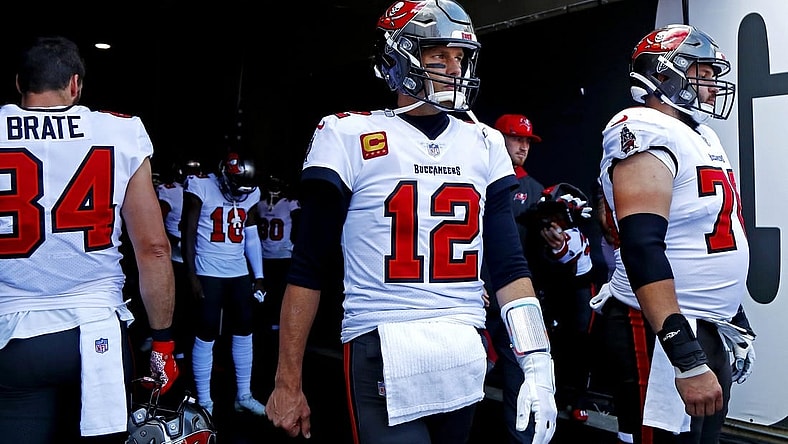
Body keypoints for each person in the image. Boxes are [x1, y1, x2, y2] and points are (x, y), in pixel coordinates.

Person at [265, 1, 557, 443]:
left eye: (459, 57)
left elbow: (510, 267)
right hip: (382, 340)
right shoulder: (348, 134)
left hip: (462, 342)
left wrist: (537, 359)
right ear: (398, 55)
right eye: (437, 55)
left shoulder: (484, 142)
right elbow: (308, 267)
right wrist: (287, 380)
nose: (452, 68)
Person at [0, 36, 179, 443]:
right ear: (75, 85)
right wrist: (163, 341)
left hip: (13, 335)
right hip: (96, 330)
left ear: (18, 84)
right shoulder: (120, 131)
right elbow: (153, 248)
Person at [596, 24, 755, 443]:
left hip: (704, 322)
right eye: (702, 72)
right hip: (659, 329)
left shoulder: (700, 135)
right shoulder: (643, 127)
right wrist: (683, 353)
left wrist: (731, 314)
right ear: (666, 75)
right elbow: (641, 245)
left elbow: (709, 233)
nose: (712, 85)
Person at [483, 114, 594, 444]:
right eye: (516, 138)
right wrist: (471, 281)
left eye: (527, 140)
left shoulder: (533, 190)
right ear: (496, 138)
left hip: (517, 301)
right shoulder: (474, 178)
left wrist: (558, 242)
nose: (523, 146)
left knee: (524, 378)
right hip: (475, 295)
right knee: (463, 373)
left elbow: (546, 258)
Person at [181, 151, 267, 416]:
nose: (241, 195)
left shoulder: (251, 194)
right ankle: (205, 400)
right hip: (208, 268)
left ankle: (243, 394)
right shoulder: (201, 186)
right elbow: (189, 232)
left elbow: (251, 235)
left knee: (244, 329)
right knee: (206, 331)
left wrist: (259, 275)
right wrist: (192, 275)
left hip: (238, 269)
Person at [157, 159, 203, 364]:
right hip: (177, 256)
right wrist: (172, 240)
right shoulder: (171, 192)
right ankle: (177, 348)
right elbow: (156, 221)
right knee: (178, 305)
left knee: (197, 307)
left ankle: (191, 347)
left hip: (202, 255)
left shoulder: (207, 189)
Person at [255, 175, 301, 335]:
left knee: (280, 293)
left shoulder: (290, 204)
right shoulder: (260, 204)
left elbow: (298, 224)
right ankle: (268, 325)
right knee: (266, 293)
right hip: (265, 255)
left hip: (283, 255)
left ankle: (279, 324)